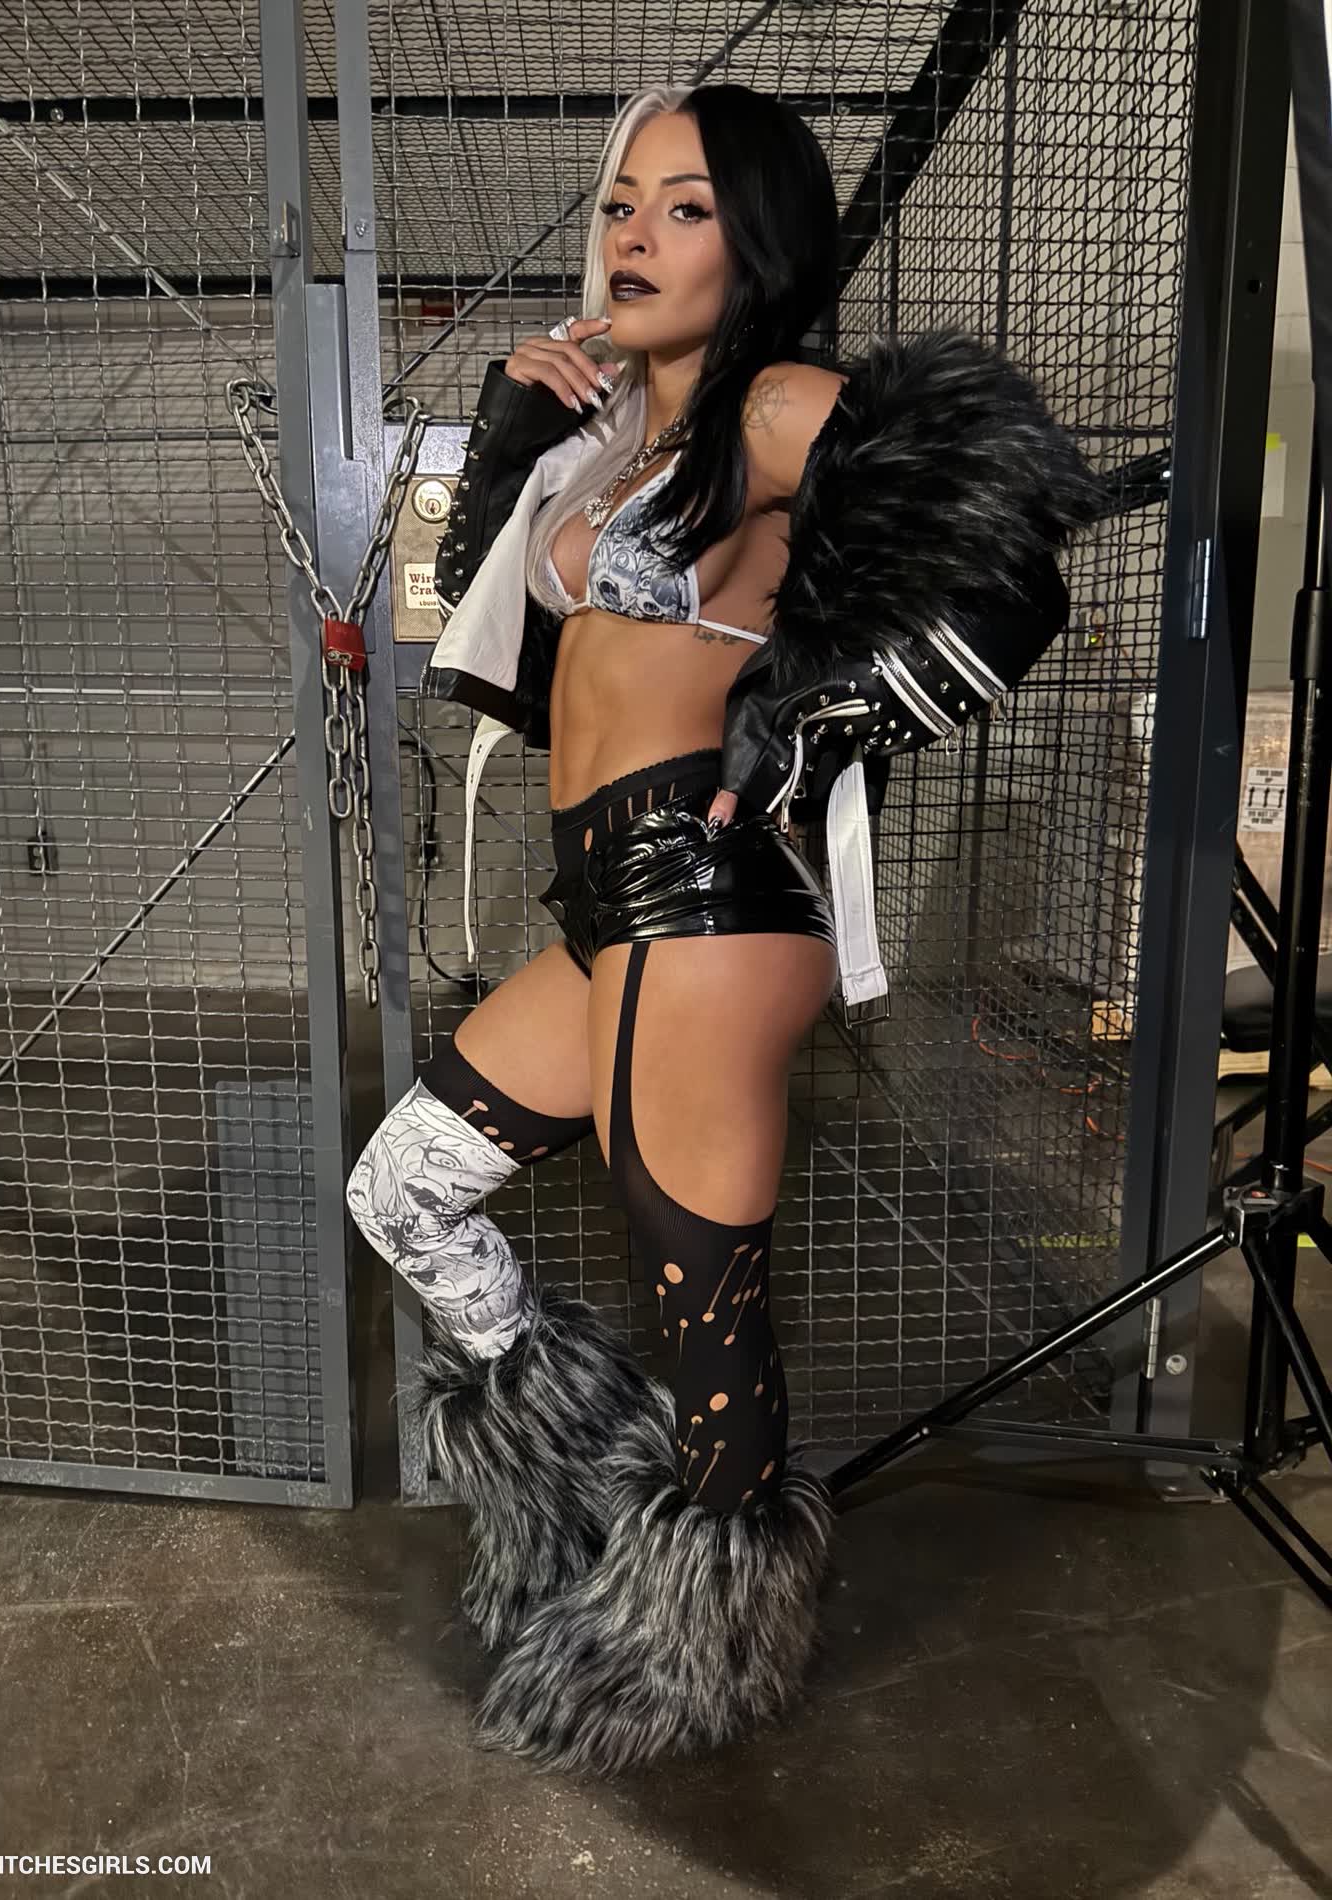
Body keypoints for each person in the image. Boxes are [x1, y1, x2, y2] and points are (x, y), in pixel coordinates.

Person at [346, 79, 1103, 1775]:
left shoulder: (772, 406)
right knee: (404, 1190)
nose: (633, 234)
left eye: (683, 207)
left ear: (755, 242)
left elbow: (1013, 550)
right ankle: (570, 1481)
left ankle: (707, 1633)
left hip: (710, 903)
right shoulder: (621, 434)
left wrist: (826, 727)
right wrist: (512, 436)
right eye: (620, 202)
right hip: (603, 903)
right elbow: (508, 647)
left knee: (702, 1291)